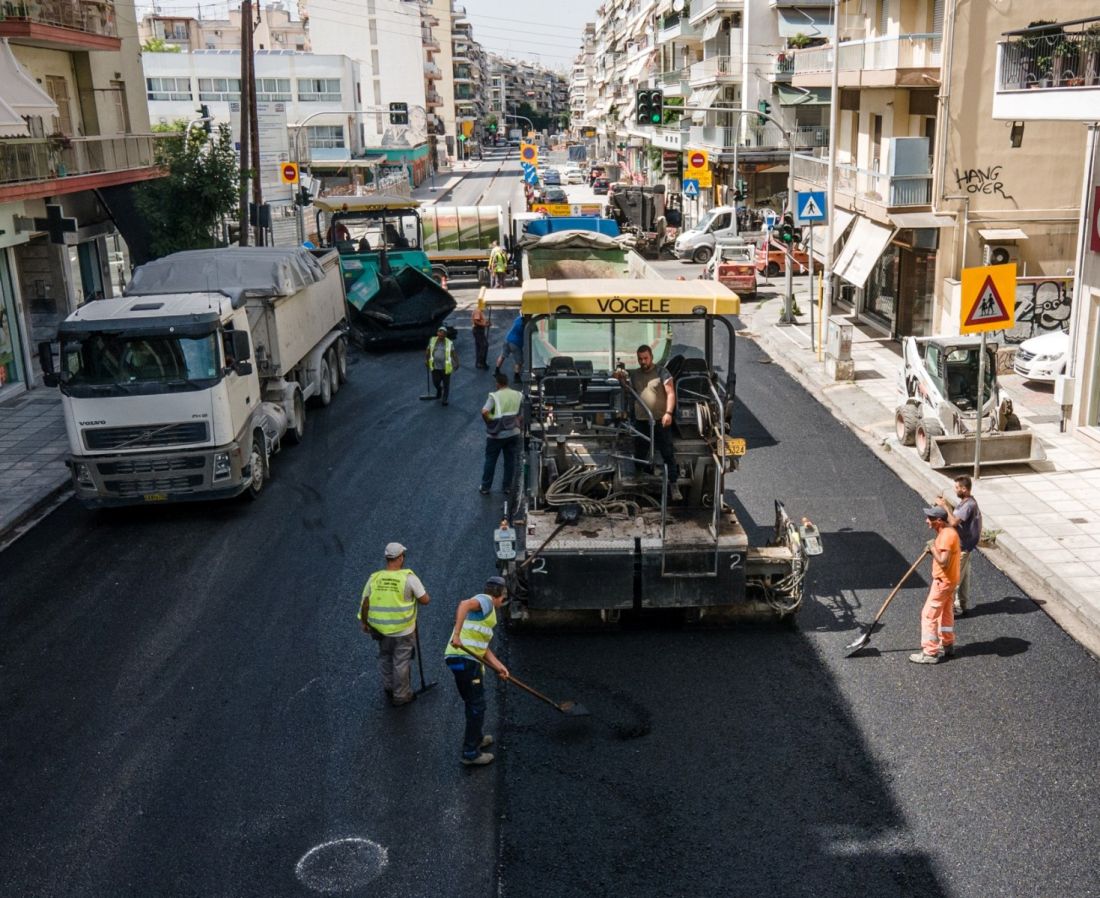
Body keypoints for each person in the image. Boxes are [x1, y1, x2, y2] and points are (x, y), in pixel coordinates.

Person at [444, 575, 511, 766]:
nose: (504, 601)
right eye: (504, 597)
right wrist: (456, 635)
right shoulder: (486, 601)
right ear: (500, 595)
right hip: (465, 659)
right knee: (477, 705)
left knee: (472, 703)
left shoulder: (486, 612)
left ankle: (477, 738)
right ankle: (470, 753)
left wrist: (499, 666)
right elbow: (464, 604)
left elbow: (483, 647)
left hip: (462, 659)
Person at [358, 542, 431, 705]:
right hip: (403, 630)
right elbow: (425, 600)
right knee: (401, 660)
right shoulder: (409, 578)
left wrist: (364, 622)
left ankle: (389, 687)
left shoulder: (374, 578)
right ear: (400, 558)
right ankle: (401, 695)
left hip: (379, 629)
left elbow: (365, 602)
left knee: (385, 656)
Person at [613, 344, 681, 502]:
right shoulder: (635, 375)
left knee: (667, 452)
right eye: (640, 359)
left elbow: (670, 393)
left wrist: (669, 413)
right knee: (640, 450)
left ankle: (673, 484)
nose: (643, 361)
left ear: (651, 357)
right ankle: (639, 477)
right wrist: (620, 378)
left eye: (646, 358)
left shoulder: (662, 372)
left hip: (660, 420)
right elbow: (628, 389)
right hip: (642, 420)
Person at [910, 506, 960, 664]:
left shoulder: (946, 536)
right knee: (946, 613)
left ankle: (930, 652)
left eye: (930, 519)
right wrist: (934, 549)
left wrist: (932, 548)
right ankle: (948, 644)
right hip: (950, 581)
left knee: (928, 615)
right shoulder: (949, 533)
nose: (927, 521)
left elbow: (944, 562)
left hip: (942, 582)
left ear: (939, 521)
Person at [935, 475, 982, 616]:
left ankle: (949, 609)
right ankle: (962, 604)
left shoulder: (968, 505)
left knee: (953, 579)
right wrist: (947, 505)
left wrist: (944, 506)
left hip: (961, 548)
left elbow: (954, 522)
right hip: (967, 546)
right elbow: (955, 516)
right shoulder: (967, 502)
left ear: (964, 488)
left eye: (957, 487)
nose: (955, 490)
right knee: (964, 577)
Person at [480, 371, 523, 498]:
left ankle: (485, 487)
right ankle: (507, 487)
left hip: (496, 435)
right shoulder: (518, 395)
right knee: (509, 460)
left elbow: (484, 412)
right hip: (513, 433)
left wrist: (490, 423)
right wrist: (517, 421)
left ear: (498, 384)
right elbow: (522, 412)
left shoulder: (494, 396)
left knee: (490, 460)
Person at [426, 325, 458, 405]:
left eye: (443, 334)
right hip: (435, 366)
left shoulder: (449, 343)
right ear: (437, 333)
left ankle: (445, 399)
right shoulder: (432, 340)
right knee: (435, 382)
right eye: (439, 333)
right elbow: (428, 351)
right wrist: (426, 360)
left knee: (446, 384)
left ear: (445, 335)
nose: (441, 335)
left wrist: (457, 362)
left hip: (445, 367)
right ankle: (439, 389)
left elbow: (453, 353)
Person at [495, 313, 525, 385]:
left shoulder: (518, 319)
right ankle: (516, 377)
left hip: (507, 339)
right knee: (518, 361)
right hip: (516, 343)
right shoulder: (525, 324)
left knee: (502, 355)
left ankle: (496, 370)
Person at [471, 303, 491, 369]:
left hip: (479, 330)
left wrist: (486, 323)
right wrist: (484, 325)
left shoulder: (480, 311)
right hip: (478, 330)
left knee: (480, 347)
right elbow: (476, 321)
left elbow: (481, 321)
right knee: (484, 346)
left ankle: (479, 363)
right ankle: (481, 362)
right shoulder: (477, 311)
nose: (485, 307)